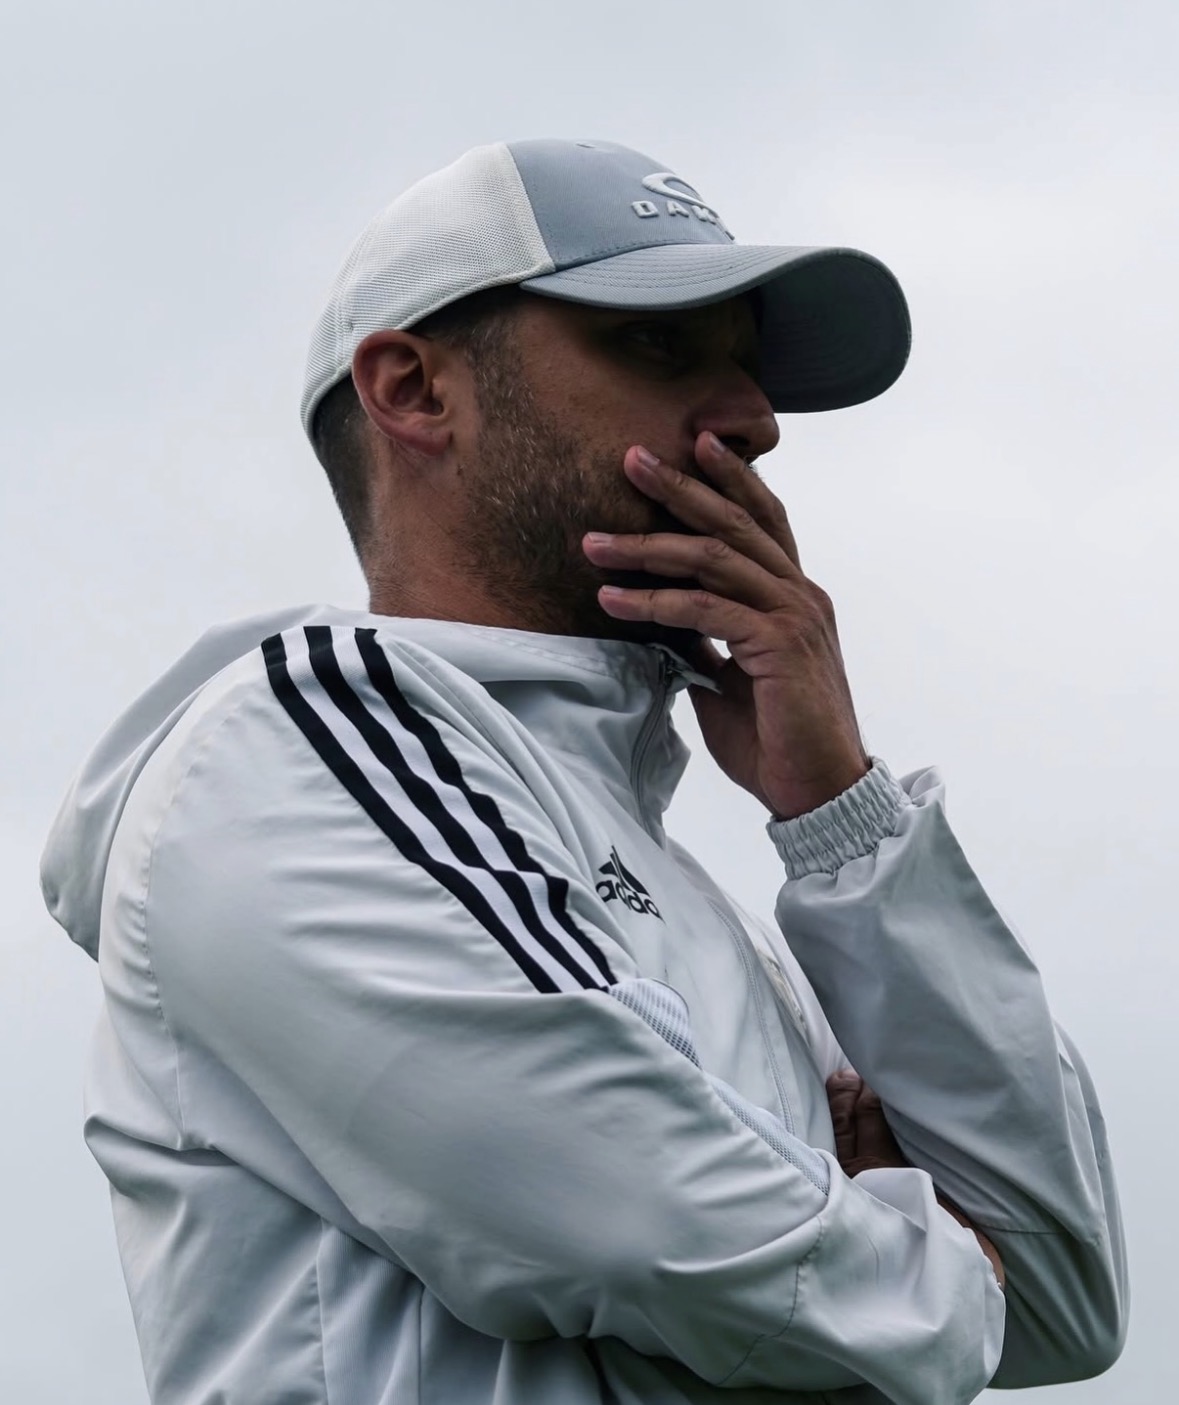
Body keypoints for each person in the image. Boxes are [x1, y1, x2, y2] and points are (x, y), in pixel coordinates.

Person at [42, 139, 1127, 1405]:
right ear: (414, 390)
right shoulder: (289, 747)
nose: (756, 421)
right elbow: (677, 1228)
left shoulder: (700, 908)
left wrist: (843, 819)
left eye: (746, 365)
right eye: (660, 344)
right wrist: (937, 1263)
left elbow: (1064, 1299)